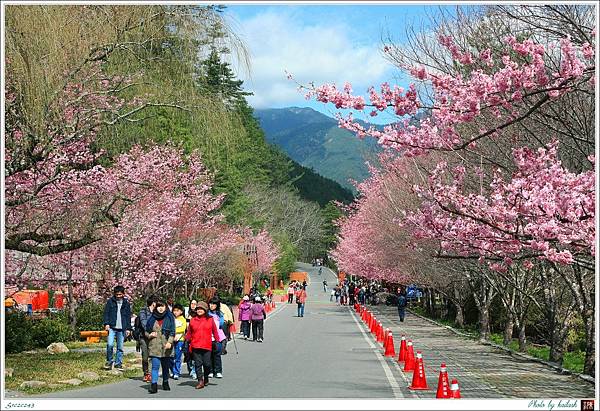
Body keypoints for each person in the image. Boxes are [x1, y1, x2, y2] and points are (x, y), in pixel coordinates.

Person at [185, 301, 219, 390]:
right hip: (195, 345)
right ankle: (200, 381)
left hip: (207, 345)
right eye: (198, 309)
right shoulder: (193, 320)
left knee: (207, 364)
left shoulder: (210, 319)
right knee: (198, 364)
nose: (199, 310)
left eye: (201, 309)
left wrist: (218, 341)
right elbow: (189, 333)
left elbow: (215, 331)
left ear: (205, 310)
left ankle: (206, 377)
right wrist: (186, 341)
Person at [145, 298, 175, 394]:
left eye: (162, 306)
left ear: (165, 307)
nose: (160, 308)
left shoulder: (170, 317)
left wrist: (170, 342)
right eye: (158, 306)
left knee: (165, 367)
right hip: (154, 346)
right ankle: (153, 385)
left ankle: (165, 382)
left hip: (166, 346)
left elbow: (172, 332)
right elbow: (146, 330)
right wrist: (149, 335)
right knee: (155, 366)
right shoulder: (152, 318)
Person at [103, 285, 132, 371]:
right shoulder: (110, 302)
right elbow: (106, 313)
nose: (118, 296)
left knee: (120, 347)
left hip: (122, 328)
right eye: (117, 294)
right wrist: (106, 323)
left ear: (123, 294)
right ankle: (109, 360)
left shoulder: (126, 303)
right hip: (112, 327)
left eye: (120, 294)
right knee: (110, 344)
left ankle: (118, 363)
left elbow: (128, 317)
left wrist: (128, 328)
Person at [136, 295, 157, 382]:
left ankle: (151, 373)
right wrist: (150, 332)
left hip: (155, 336)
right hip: (143, 336)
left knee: (154, 356)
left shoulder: (158, 312)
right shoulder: (143, 311)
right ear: (153, 303)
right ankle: (146, 373)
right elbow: (144, 323)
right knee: (145, 356)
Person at [208, 297, 227, 378]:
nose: (211, 305)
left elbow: (222, 325)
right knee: (208, 355)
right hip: (208, 337)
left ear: (217, 305)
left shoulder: (220, 314)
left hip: (218, 337)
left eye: (214, 304)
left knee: (217, 354)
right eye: (210, 303)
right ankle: (210, 371)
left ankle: (218, 371)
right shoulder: (207, 314)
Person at [170, 304, 187, 380]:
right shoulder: (171, 319)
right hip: (171, 339)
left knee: (178, 356)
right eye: (174, 310)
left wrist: (175, 331)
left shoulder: (182, 319)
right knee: (170, 356)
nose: (175, 312)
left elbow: (183, 328)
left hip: (180, 340)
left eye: (177, 311)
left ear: (181, 311)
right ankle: (173, 370)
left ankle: (176, 372)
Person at [185, 299, 198, 379]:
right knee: (187, 354)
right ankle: (190, 368)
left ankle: (194, 370)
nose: (193, 305)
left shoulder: (198, 314)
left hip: (195, 338)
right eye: (192, 304)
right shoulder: (186, 313)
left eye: (195, 304)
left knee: (195, 355)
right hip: (187, 337)